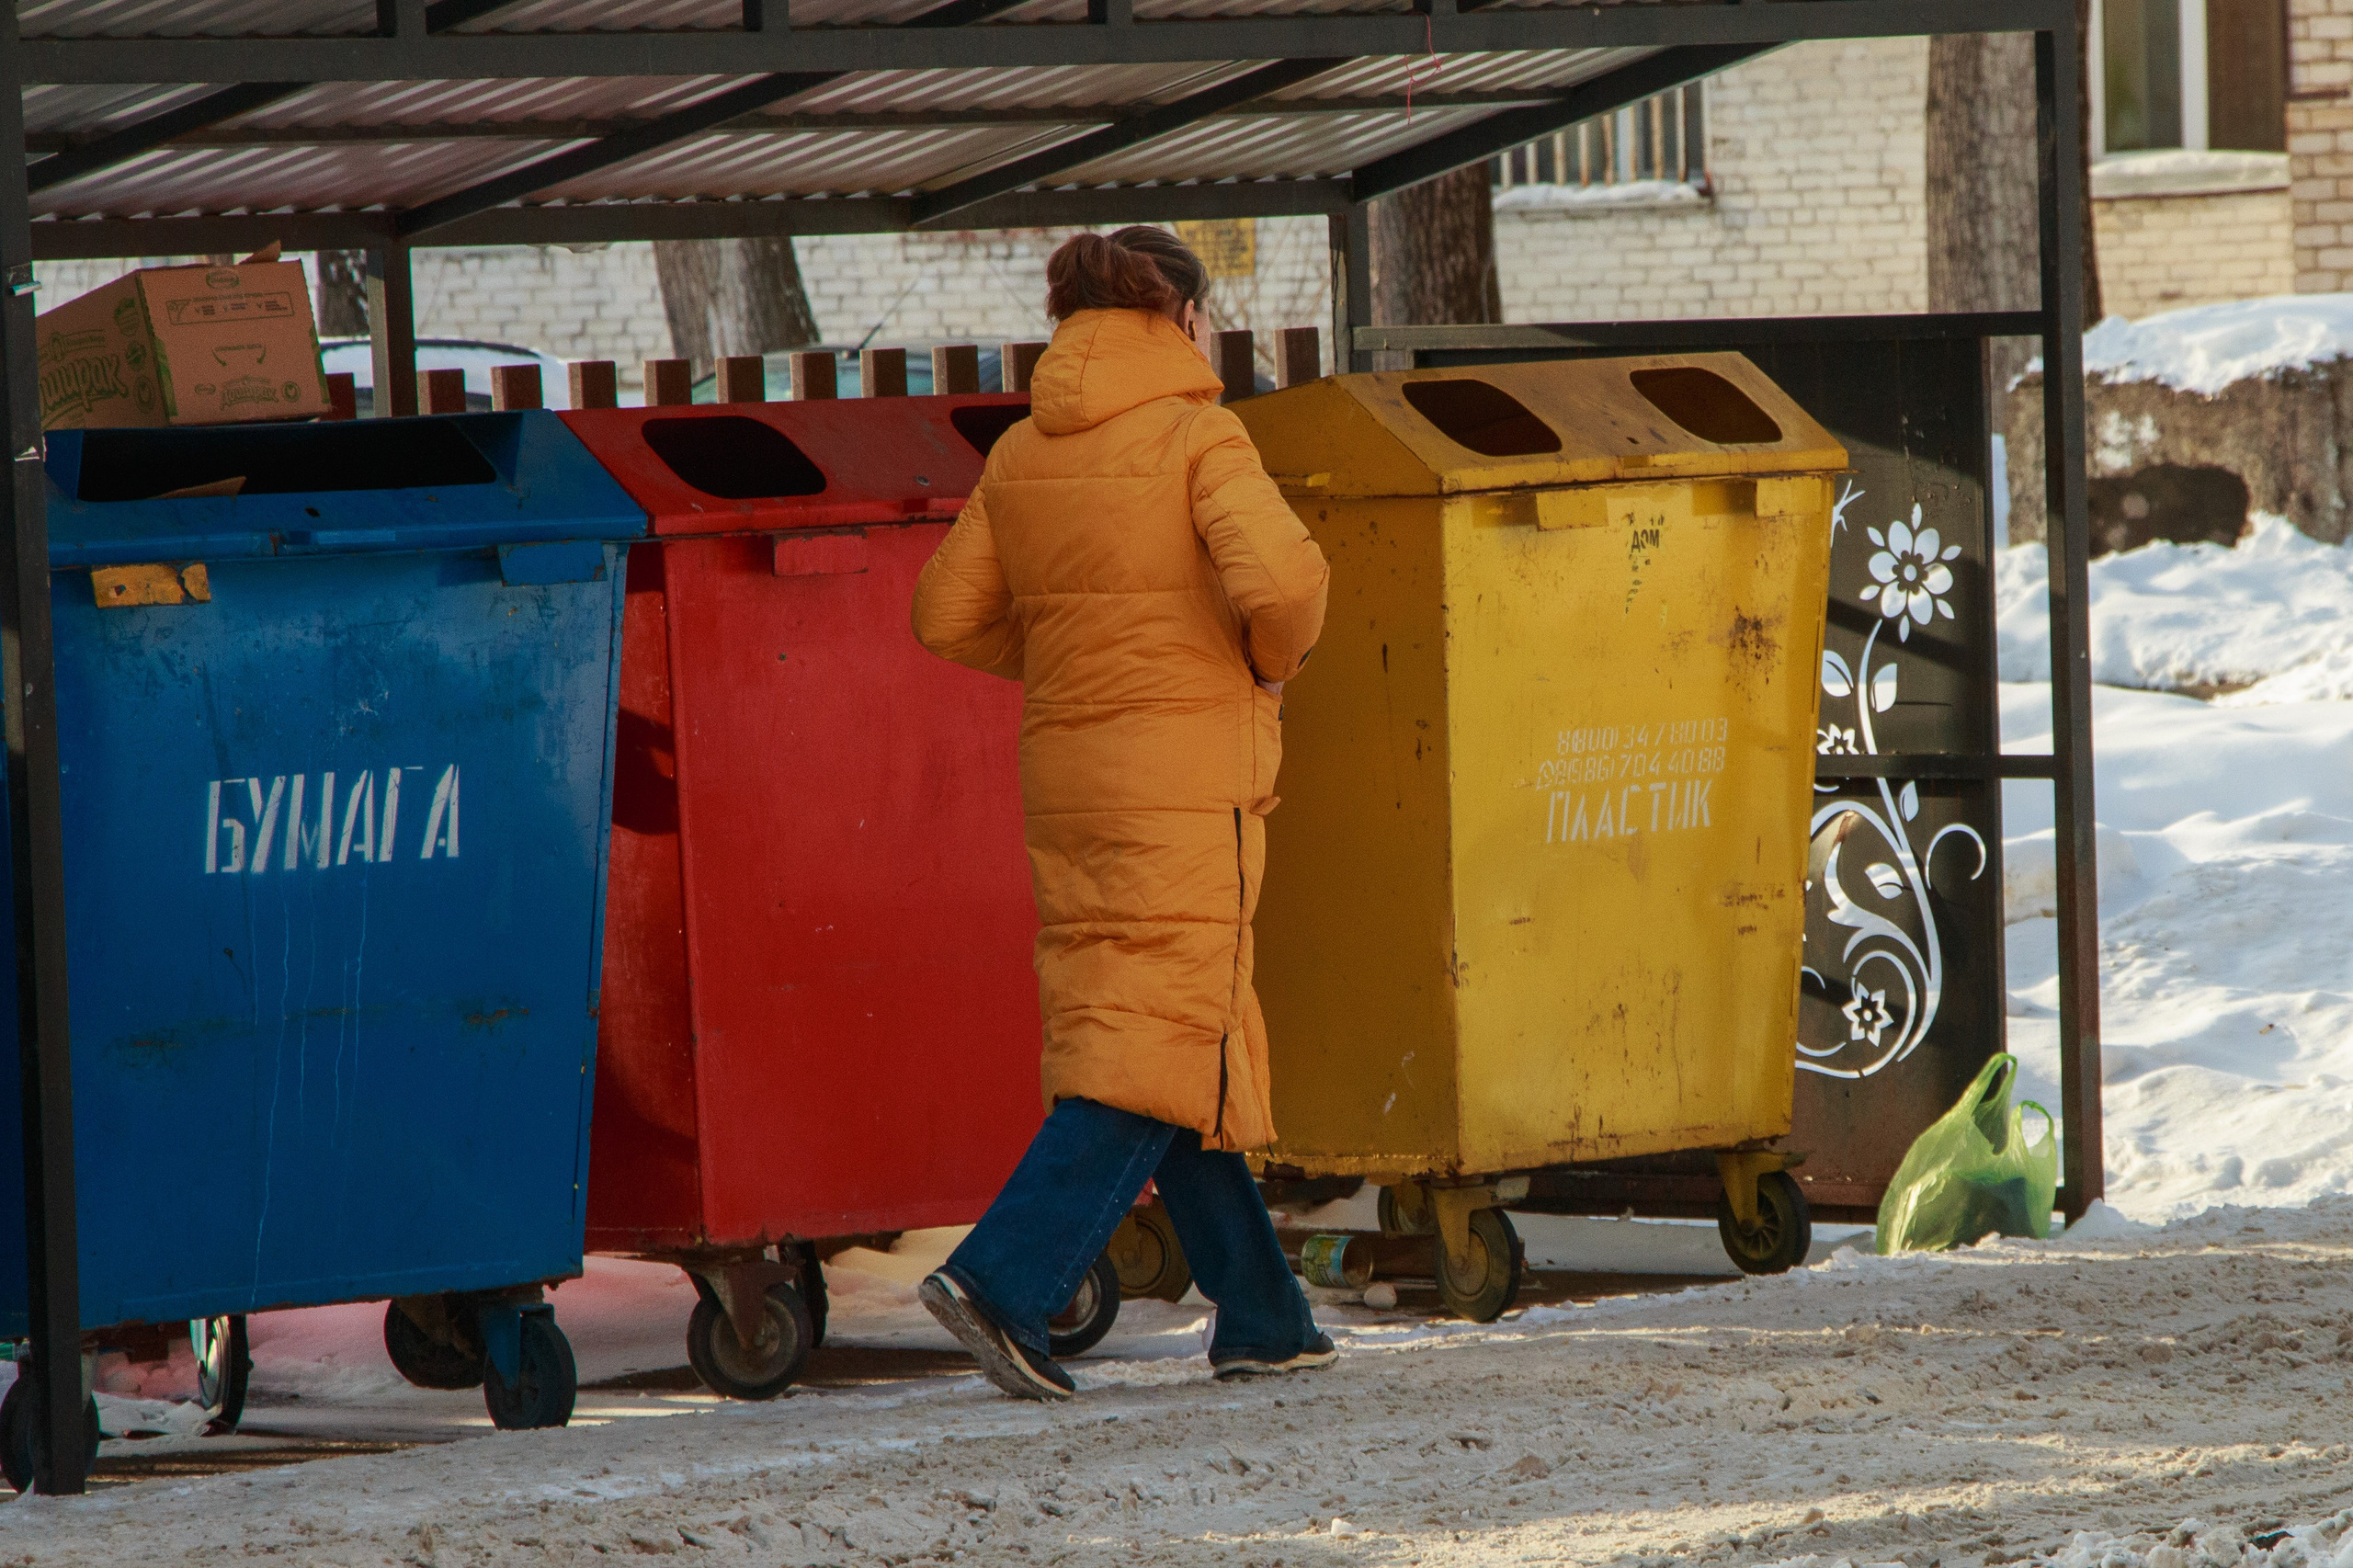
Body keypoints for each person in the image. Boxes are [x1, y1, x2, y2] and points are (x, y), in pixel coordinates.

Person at [908, 225, 1335, 1401]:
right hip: (1184, 778)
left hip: (1073, 773)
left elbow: (944, 614)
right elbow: (1287, 584)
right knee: (1161, 1030)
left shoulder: (1022, 451)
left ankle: (1264, 1314)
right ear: (1179, 318)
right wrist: (1261, 663)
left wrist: (1075, 660)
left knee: (1160, 1022)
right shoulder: (1200, 436)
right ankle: (1003, 1277)